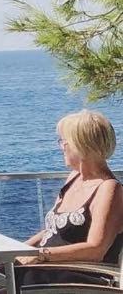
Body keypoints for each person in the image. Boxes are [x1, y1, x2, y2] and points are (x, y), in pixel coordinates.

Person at [14, 109, 123, 289]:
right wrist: (15, 250)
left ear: (82, 145)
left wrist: (41, 255)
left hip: (77, 277)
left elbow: (96, 249)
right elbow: (53, 230)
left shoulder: (109, 189)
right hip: (47, 271)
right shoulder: (73, 178)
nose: (62, 147)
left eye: (65, 141)